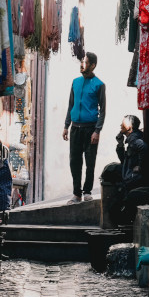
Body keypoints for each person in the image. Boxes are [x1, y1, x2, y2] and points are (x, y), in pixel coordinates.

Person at [63, 51, 107, 202]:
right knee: (74, 161)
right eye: (82, 62)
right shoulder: (75, 82)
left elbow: (103, 110)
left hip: (90, 129)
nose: (82, 65)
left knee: (90, 161)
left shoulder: (99, 85)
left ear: (93, 65)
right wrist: (66, 125)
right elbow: (71, 105)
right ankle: (77, 194)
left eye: (86, 62)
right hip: (75, 128)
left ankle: (87, 191)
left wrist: (97, 130)